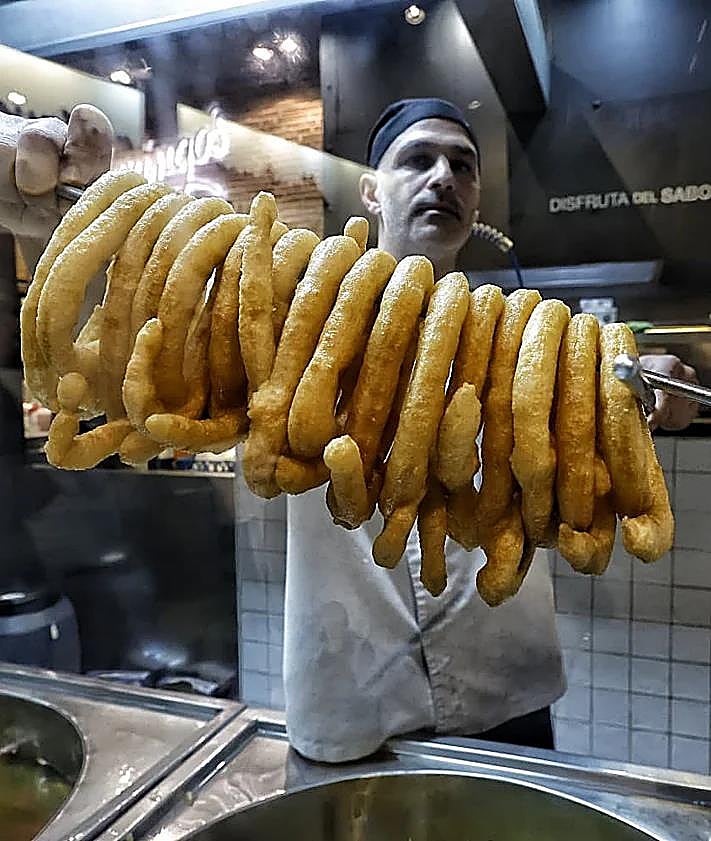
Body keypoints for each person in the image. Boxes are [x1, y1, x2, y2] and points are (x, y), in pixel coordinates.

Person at [0, 99, 697, 764]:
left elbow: (610, 398)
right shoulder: (281, 313)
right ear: (369, 191)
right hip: (350, 696)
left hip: (508, 693)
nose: (442, 178)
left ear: (477, 200)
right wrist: (63, 214)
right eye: (416, 159)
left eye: (462, 165)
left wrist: (644, 384)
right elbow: (147, 336)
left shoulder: (537, 348)